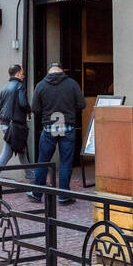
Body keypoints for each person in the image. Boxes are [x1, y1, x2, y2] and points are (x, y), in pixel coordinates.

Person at [30, 62, 85, 205]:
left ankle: (36, 194)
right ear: (62, 70)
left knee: (43, 160)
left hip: (49, 127)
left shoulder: (41, 85)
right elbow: (81, 105)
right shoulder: (72, 84)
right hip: (67, 126)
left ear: (50, 71)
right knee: (66, 162)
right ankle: (63, 195)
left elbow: (35, 108)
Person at [0, 64, 31, 173]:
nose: (23, 76)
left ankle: (33, 181)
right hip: (15, 126)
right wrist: (29, 110)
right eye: (22, 73)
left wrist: (5, 119)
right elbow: (23, 104)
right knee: (7, 154)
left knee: (22, 153)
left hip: (5, 125)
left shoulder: (3, 88)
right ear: (17, 74)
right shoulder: (20, 86)